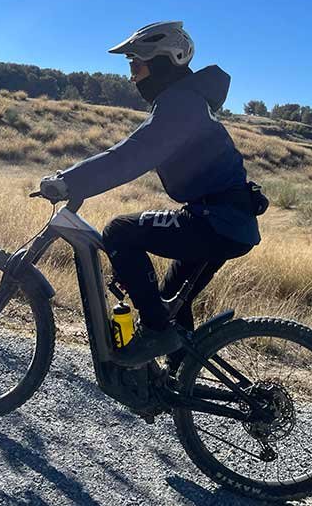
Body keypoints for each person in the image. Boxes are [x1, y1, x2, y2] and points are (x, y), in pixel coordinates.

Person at [38, 21, 262, 368]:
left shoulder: (180, 104)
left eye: (136, 66)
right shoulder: (186, 102)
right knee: (168, 303)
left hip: (216, 221)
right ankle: (178, 382)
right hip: (224, 221)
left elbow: (131, 155)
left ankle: (157, 333)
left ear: (161, 62)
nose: (132, 77)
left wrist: (69, 181)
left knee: (119, 231)